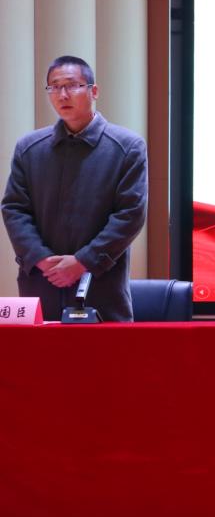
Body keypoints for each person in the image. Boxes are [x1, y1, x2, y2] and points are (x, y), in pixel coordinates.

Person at [2, 55, 148, 321]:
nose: (62, 95)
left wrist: (83, 262)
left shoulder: (127, 147)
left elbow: (130, 214)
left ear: (94, 91)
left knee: (104, 350)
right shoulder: (30, 148)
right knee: (38, 349)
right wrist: (41, 258)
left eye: (72, 85)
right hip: (41, 283)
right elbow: (14, 209)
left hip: (100, 286)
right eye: (54, 87)